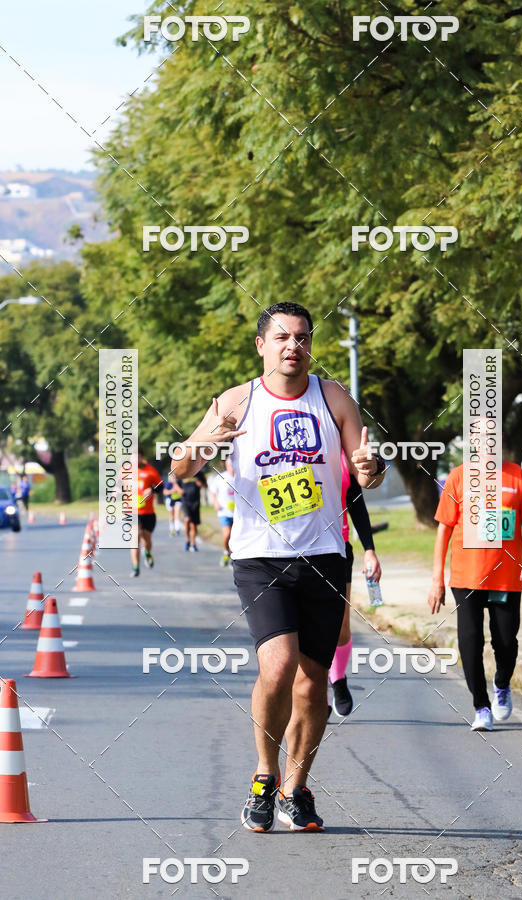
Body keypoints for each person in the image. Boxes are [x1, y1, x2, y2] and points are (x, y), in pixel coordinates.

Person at [172, 301, 386, 832]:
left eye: (303, 338)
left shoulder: (333, 397)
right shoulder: (235, 402)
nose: (294, 346)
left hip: (323, 556)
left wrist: (371, 466)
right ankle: (265, 776)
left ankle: (297, 786)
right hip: (259, 556)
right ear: (262, 346)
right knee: (277, 666)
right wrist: (204, 443)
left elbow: (366, 474)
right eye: (283, 337)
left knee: (313, 686)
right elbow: (180, 466)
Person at [427, 454, 522, 731]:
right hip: (467, 578)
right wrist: (437, 579)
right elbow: (444, 529)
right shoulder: (458, 476)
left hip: (506, 578)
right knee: (469, 641)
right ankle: (481, 706)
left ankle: (501, 683)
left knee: (505, 641)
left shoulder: (516, 476)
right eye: (479, 436)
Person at [329, 452, 381, 718]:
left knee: (340, 627)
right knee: (299, 630)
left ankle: (337, 679)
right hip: (290, 552)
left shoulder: (341, 451)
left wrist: (369, 549)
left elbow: (356, 500)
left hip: (337, 549)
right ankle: (314, 693)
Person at [131, 449, 162, 578]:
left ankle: (147, 552)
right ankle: (136, 567)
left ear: (141, 457)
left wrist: (152, 489)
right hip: (132, 512)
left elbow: (160, 486)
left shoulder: (150, 470)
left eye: (137, 457)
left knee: (147, 540)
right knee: (135, 538)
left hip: (148, 512)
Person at [210, 457, 235, 566]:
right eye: (229, 465)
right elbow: (213, 491)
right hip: (224, 511)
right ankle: (226, 552)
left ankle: (234, 557)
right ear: (226, 465)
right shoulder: (221, 477)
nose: (232, 467)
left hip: (239, 513)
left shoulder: (241, 476)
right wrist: (215, 502)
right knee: (227, 534)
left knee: (235, 537)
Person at [178, 471, 208, 551]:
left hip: (195, 502)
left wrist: (201, 483)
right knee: (187, 520)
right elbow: (176, 483)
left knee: (193, 525)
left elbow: (206, 486)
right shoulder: (183, 471)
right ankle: (187, 539)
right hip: (185, 500)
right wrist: (179, 489)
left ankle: (193, 543)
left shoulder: (199, 473)